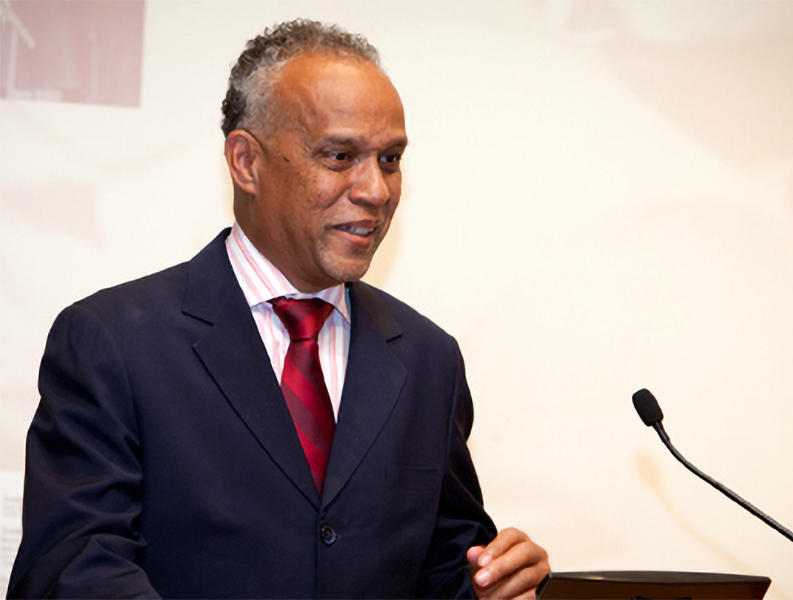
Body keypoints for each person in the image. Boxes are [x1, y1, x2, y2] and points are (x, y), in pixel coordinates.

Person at [8, 19, 549, 599]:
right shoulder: (111, 342)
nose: (376, 189)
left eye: (390, 159)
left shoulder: (428, 359)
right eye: (341, 156)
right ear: (246, 162)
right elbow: (73, 570)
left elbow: (442, 568)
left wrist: (491, 585)